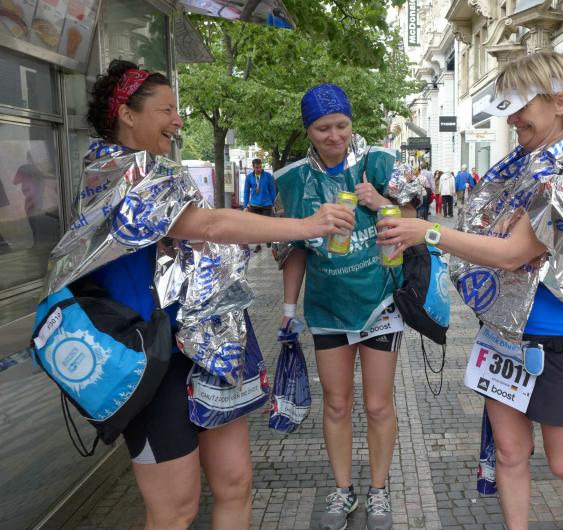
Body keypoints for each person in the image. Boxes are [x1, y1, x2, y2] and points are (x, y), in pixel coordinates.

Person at [46, 61, 355, 530]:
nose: (178, 120)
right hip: (152, 363)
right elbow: (207, 225)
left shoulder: (158, 169)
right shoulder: (114, 173)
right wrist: (306, 225)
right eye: (166, 109)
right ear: (127, 114)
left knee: (235, 485)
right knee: (175, 511)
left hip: (211, 351)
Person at [376, 51, 563, 530]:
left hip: (560, 342)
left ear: (559, 102)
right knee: (510, 453)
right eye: (505, 106)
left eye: (519, 105)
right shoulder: (520, 166)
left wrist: (428, 231)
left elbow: (511, 254)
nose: (511, 118)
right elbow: (491, 235)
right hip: (502, 335)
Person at [276, 83, 413, 530]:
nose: (334, 135)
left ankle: (379, 490)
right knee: (336, 404)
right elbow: (295, 250)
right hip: (327, 309)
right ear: (308, 130)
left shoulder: (379, 163)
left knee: (377, 405)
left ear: (352, 123)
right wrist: (289, 310)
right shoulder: (293, 180)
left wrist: (383, 203)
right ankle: (343, 489)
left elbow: (415, 221)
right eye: (323, 128)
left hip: (379, 304)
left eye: (341, 125)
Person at [242, 158, 277, 252]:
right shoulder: (249, 177)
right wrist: (245, 206)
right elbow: (246, 192)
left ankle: (267, 238)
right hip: (254, 205)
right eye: (257, 167)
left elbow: (272, 190)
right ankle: (258, 244)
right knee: (256, 226)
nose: (259, 169)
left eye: (260, 167)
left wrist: (274, 204)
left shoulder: (268, 176)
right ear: (253, 167)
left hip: (266, 204)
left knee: (266, 224)